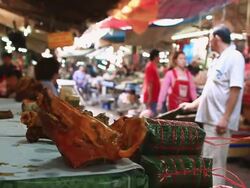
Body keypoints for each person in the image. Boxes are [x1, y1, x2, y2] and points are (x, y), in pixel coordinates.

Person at [180, 26, 245, 186]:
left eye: (210, 39)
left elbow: (235, 89)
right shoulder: (218, 59)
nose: (209, 43)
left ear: (216, 38)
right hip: (210, 121)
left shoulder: (235, 57)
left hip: (219, 122)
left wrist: (225, 118)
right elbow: (209, 92)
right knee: (208, 162)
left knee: (215, 165)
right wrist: (191, 105)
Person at [142, 49, 161, 117]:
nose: (159, 58)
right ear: (155, 57)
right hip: (152, 97)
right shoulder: (150, 66)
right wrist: (149, 98)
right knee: (152, 118)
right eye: (159, 56)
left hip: (155, 96)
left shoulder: (153, 66)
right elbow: (150, 83)